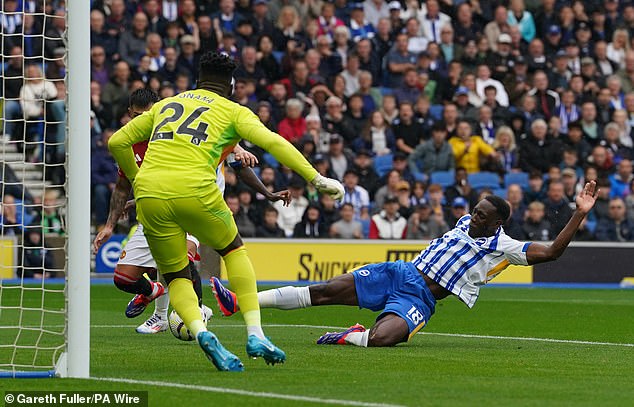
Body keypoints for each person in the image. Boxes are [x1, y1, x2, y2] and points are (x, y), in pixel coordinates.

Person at [107, 52, 344, 371]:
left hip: (150, 196)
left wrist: (139, 180)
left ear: (197, 80)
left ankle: (200, 331)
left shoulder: (165, 105)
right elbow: (274, 143)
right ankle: (255, 333)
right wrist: (317, 179)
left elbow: (118, 142)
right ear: (230, 85)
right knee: (234, 251)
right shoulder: (233, 110)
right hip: (196, 191)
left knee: (176, 275)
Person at [212, 182, 599, 347]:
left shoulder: (504, 246)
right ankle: (242, 301)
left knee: (384, 339)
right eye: (474, 211)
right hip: (401, 271)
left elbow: (551, 253)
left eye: (481, 215)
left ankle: (350, 337)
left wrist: (578, 215)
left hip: (421, 298)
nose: (473, 216)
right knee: (326, 291)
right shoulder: (465, 221)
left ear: (497, 222)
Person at [93, 89, 291, 334]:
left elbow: (236, 162)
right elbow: (126, 185)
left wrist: (259, 180)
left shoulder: (184, 134)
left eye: (147, 114)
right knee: (125, 279)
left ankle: (196, 310)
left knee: (182, 257)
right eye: (136, 116)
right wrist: (111, 224)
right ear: (129, 114)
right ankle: (156, 297)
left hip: (198, 206)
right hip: (157, 209)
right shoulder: (132, 143)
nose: (142, 120)